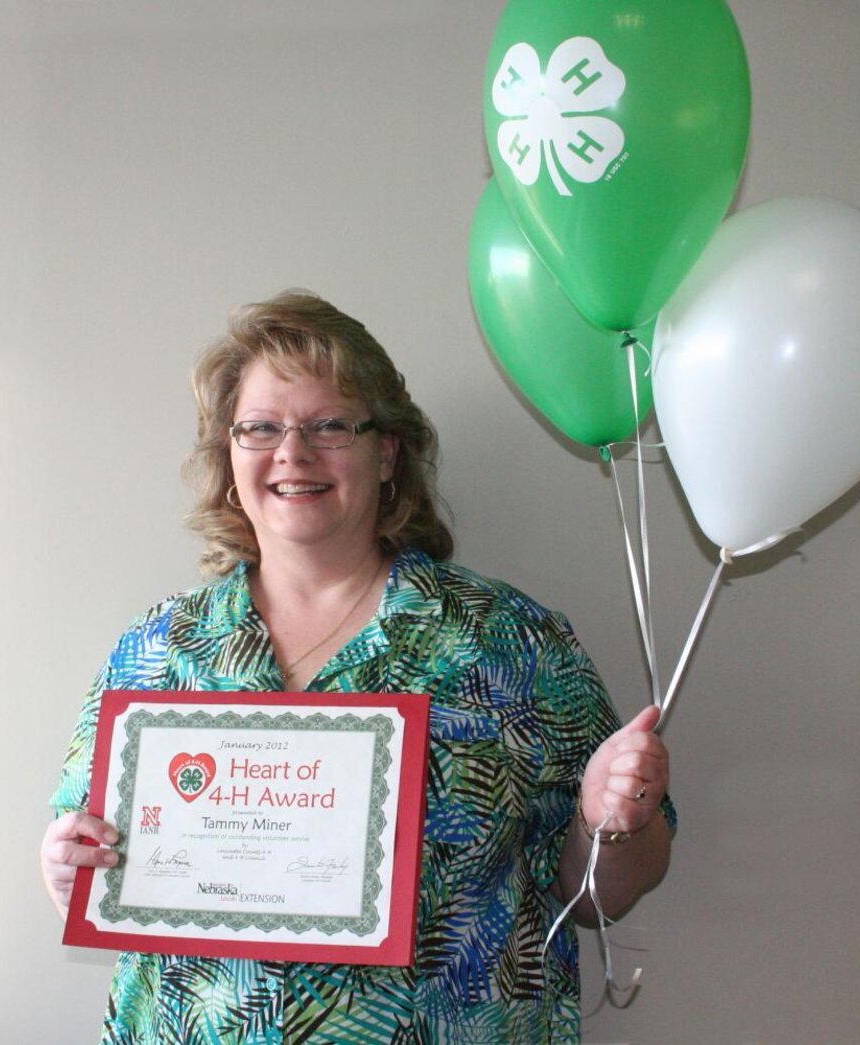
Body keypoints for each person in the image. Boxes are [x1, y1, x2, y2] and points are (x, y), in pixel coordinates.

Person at [41, 290, 673, 1044]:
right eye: (261, 427)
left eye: (329, 425)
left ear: (387, 452)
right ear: (229, 452)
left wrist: (611, 823)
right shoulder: (158, 649)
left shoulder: (508, 643)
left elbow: (603, 893)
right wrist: (67, 866)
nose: (293, 453)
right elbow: (97, 864)